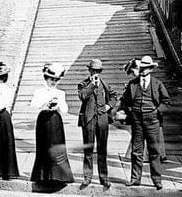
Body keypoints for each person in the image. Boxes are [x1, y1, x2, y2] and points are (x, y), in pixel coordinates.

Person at [116, 55, 169, 190]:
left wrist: (157, 112)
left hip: (153, 122)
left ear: (150, 69)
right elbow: (125, 101)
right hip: (137, 122)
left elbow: (166, 102)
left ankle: (157, 179)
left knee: (154, 150)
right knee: (136, 151)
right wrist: (130, 111)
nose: (143, 70)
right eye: (141, 68)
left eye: (146, 68)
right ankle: (135, 179)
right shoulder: (132, 84)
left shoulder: (157, 84)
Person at [29, 62, 74, 185]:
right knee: (44, 147)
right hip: (43, 120)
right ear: (46, 78)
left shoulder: (60, 93)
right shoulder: (40, 91)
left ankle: (58, 176)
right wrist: (44, 105)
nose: (53, 82)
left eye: (56, 80)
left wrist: (58, 104)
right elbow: (33, 105)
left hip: (55, 121)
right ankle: (43, 176)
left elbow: (65, 110)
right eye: (51, 79)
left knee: (56, 147)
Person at [77, 58, 117, 189]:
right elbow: (83, 96)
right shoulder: (83, 84)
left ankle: (104, 178)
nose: (95, 73)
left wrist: (108, 106)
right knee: (88, 150)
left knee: (102, 150)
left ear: (100, 72)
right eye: (93, 70)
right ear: (89, 71)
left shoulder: (105, 84)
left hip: (102, 119)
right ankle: (87, 177)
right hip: (88, 119)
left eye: (98, 71)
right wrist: (92, 85)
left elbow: (114, 97)